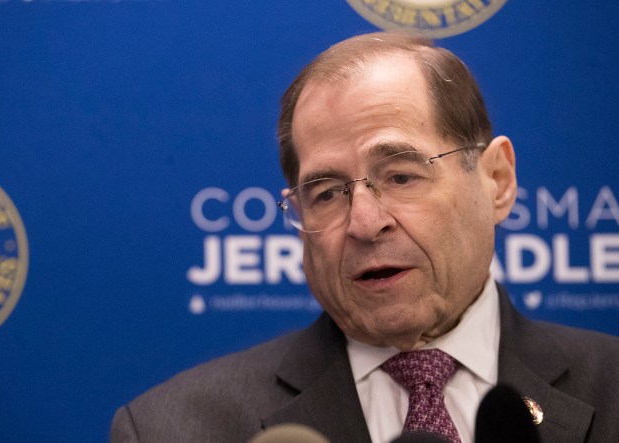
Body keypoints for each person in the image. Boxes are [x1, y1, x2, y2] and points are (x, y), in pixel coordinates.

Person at [110, 32, 619, 443]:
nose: (364, 222)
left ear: (497, 182)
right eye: (327, 192)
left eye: (401, 176)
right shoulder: (170, 429)